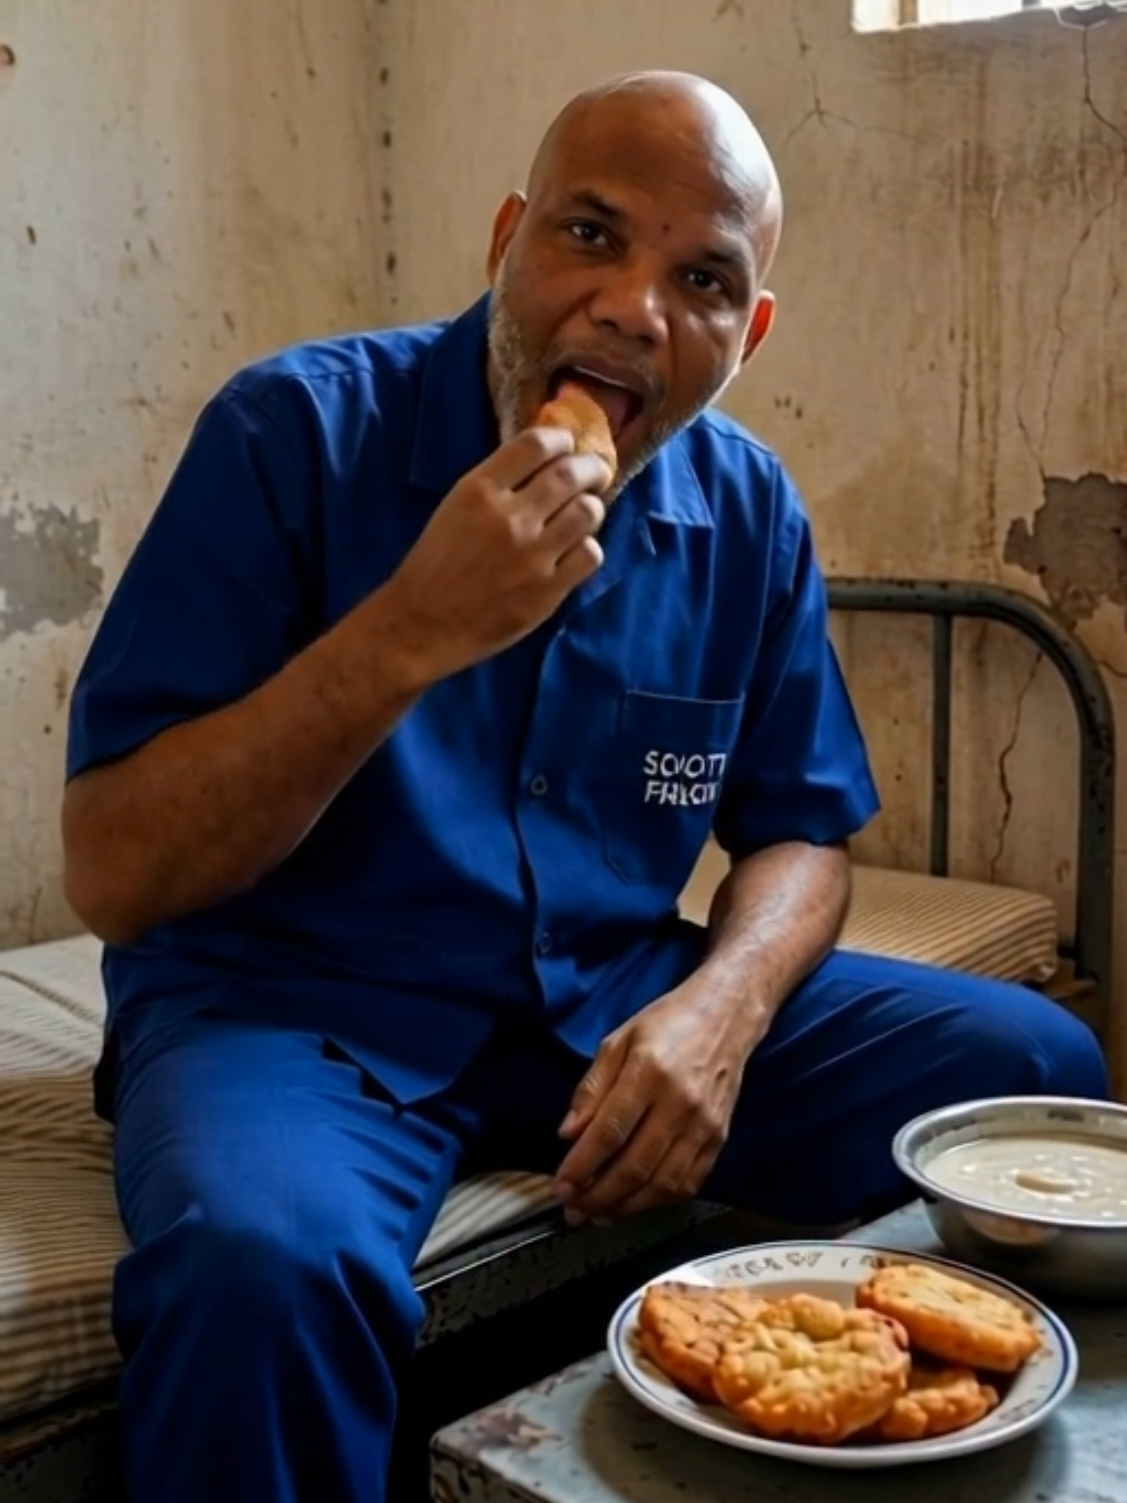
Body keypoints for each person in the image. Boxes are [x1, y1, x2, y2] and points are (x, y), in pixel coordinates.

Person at [61, 69, 1107, 1503]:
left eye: (702, 276)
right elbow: (114, 871)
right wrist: (411, 627)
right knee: (262, 1272)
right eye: (590, 236)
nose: (632, 306)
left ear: (750, 333)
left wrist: (716, 1013)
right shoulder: (292, 437)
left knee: (1033, 1085)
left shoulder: (743, 511)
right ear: (505, 241)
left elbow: (799, 830)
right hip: (291, 1010)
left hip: (603, 998)